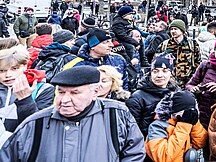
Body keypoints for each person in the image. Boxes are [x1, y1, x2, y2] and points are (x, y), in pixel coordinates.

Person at [0, 66, 145, 161]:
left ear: (95, 92)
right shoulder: (34, 123)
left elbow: (134, 153)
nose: (65, 100)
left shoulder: (117, 115)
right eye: (61, 92)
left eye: (75, 93)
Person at [0, 45, 55, 135]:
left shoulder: (42, 89)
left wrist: (25, 100)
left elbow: (38, 126)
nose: (8, 75)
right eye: (2, 71)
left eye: (14, 69)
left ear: (25, 66)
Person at [145, 91, 207, 162]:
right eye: (184, 111)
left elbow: (200, 144)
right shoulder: (157, 126)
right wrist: (183, 126)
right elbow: (163, 157)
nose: (188, 114)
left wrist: (195, 124)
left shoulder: (188, 122)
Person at [127, 54, 180, 137]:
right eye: (155, 71)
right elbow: (131, 130)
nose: (159, 75)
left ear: (171, 73)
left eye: (165, 71)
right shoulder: (137, 97)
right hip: (147, 144)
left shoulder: (177, 92)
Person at [62, 28, 130, 90]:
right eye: (105, 42)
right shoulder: (75, 65)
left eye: (110, 41)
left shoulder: (118, 59)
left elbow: (124, 84)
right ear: (93, 46)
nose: (111, 45)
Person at [162, 19, 201, 88]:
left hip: (187, 82)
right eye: (171, 29)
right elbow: (157, 62)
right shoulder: (165, 44)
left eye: (175, 29)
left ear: (182, 30)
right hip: (169, 82)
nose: (173, 31)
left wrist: (193, 78)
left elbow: (197, 62)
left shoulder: (192, 44)